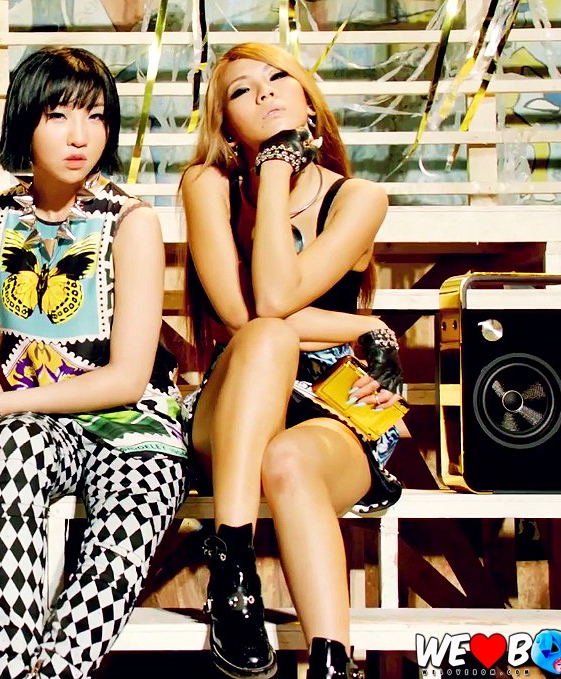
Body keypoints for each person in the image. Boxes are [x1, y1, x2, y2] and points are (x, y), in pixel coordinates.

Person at [0, 47, 190, 679]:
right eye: (58, 115)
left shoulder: (132, 222)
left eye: (96, 116)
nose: (81, 136)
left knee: (129, 519)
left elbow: (126, 378)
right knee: (9, 447)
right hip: (38, 416)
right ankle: (9, 668)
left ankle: (54, 673)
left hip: (131, 423)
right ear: (25, 121)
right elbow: (14, 339)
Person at [178, 41, 406, 679]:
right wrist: (360, 325)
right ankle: (233, 568)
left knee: (290, 459)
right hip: (234, 406)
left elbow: (276, 299)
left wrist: (277, 174)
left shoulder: (360, 199)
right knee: (267, 340)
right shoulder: (208, 185)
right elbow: (248, 314)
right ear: (227, 130)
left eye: (280, 78)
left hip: (335, 402)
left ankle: (333, 663)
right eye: (242, 90)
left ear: (310, 105)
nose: (265, 93)